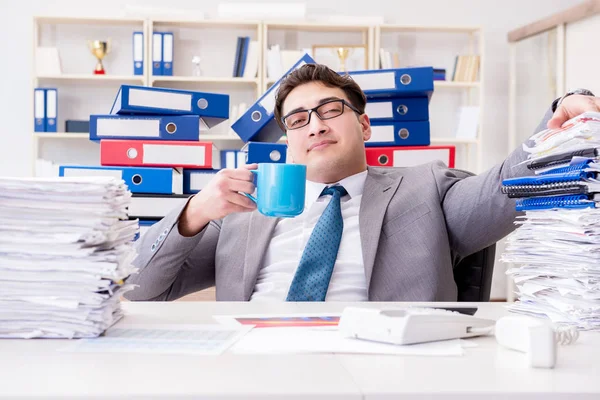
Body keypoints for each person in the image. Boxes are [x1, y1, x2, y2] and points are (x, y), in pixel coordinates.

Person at [124, 63, 599, 302]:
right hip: (259, 364)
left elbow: (501, 190)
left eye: (332, 111)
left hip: (388, 364)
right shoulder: (245, 212)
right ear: (288, 139)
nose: (316, 126)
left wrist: (555, 128)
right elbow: (140, 290)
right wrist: (193, 212)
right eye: (299, 120)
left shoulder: (427, 189)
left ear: (365, 126)